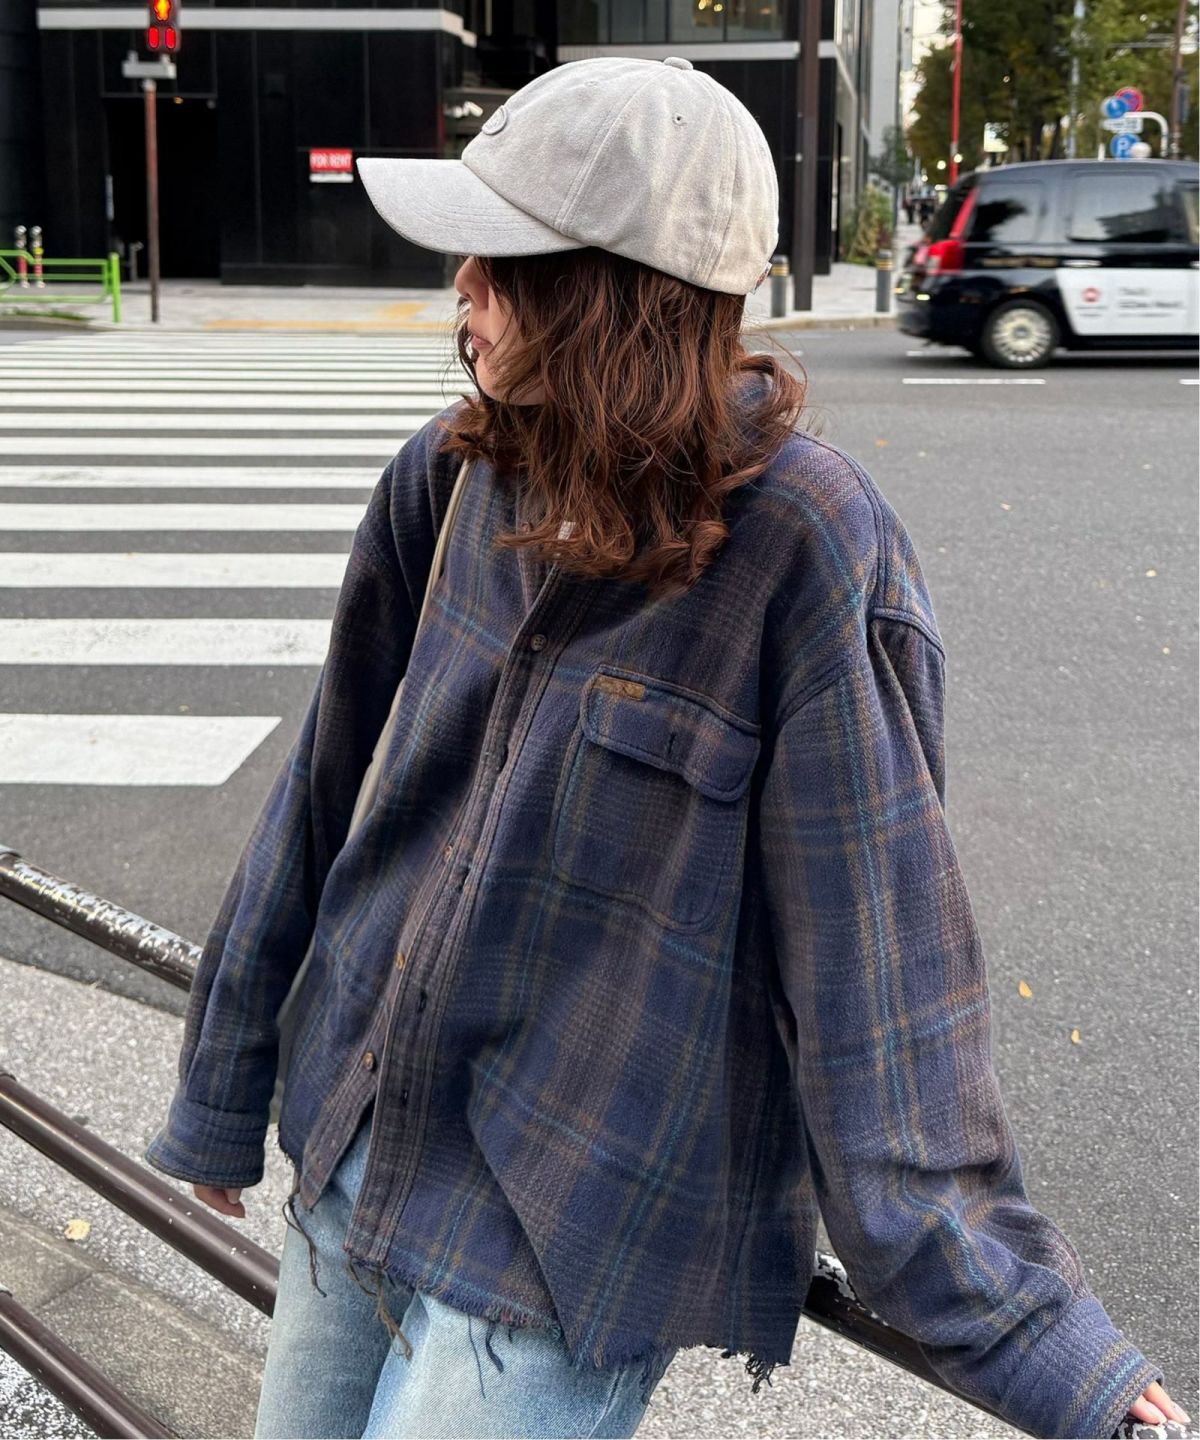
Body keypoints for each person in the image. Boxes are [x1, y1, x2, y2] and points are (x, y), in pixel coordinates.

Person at [143, 56, 1190, 1440]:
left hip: (564, 1241)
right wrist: (223, 1086)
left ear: (606, 296)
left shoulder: (801, 543)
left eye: (501, 257)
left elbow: (877, 957)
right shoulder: (450, 477)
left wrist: (1041, 1343)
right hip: (361, 1149)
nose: (462, 285)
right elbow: (324, 792)